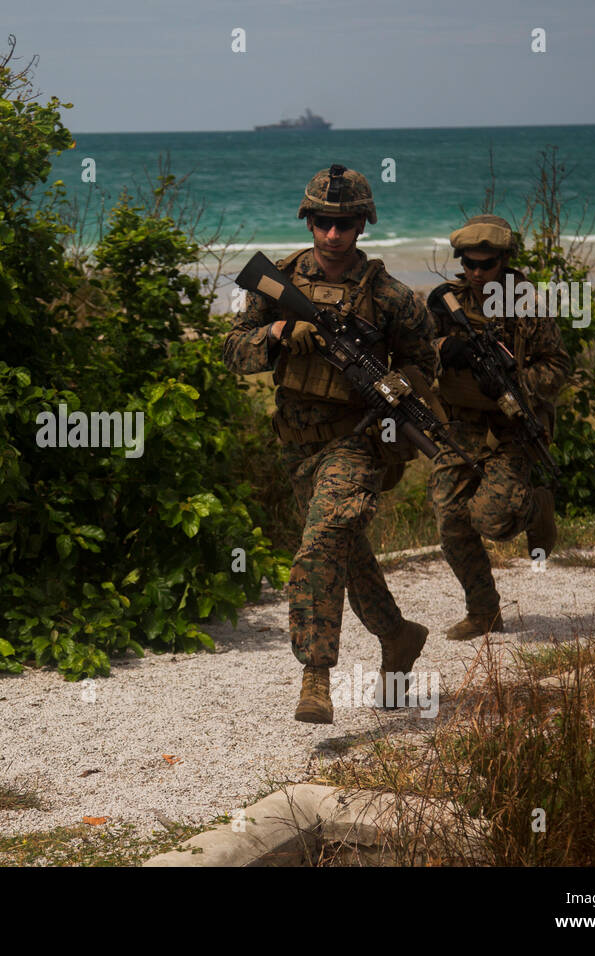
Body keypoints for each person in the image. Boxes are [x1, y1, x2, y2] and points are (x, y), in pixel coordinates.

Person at [223, 164, 435, 723]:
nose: (332, 235)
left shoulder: (391, 297)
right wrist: (276, 333)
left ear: (362, 225)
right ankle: (399, 635)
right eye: (322, 222)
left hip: (356, 442)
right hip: (296, 445)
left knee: (320, 547)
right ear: (309, 221)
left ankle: (316, 677)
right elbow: (233, 352)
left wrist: (394, 383)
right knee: (347, 552)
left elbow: (423, 365)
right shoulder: (280, 281)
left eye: (344, 224)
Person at [427, 214, 572, 641]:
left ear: (503, 261)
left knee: (491, 518)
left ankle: (535, 509)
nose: (475, 273)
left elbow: (559, 365)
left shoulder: (527, 304)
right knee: (450, 521)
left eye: (485, 265)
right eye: (468, 264)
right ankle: (484, 612)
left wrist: (516, 382)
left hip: (511, 427)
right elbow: (414, 351)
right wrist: (445, 349)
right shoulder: (445, 302)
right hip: (461, 426)